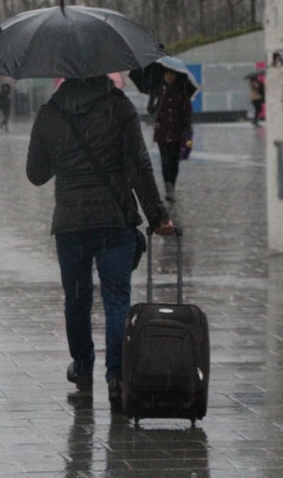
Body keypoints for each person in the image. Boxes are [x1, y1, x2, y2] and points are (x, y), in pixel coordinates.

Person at [26, 75, 174, 411]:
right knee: (116, 298)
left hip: (71, 222)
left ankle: (82, 368)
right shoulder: (118, 106)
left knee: (77, 299)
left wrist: (60, 152)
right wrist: (157, 216)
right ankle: (116, 376)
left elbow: (35, 174)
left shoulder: (51, 112)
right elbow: (139, 166)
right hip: (113, 219)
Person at [148, 69, 193, 202]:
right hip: (162, 131)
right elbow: (150, 109)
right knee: (165, 160)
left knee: (174, 160)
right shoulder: (158, 90)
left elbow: (187, 111)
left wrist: (187, 128)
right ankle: (168, 188)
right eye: (167, 74)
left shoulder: (181, 91)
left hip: (177, 130)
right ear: (163, 75)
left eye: (172, 75)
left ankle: (172, 184)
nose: (170, 77)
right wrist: (155, 99)